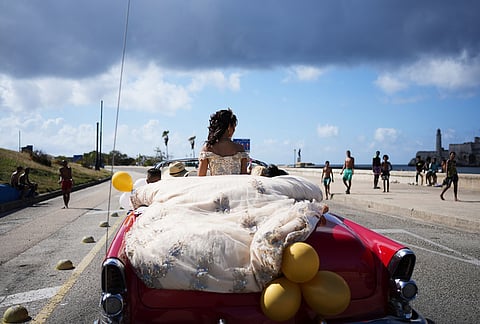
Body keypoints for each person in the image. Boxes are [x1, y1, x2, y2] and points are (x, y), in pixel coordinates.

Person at [198, 108, 249, 176]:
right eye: (234, 127)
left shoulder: (208, 148)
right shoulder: (240, 149)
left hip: (215, 186)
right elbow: (244, 178)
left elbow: (201, 177)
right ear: (229, 127)